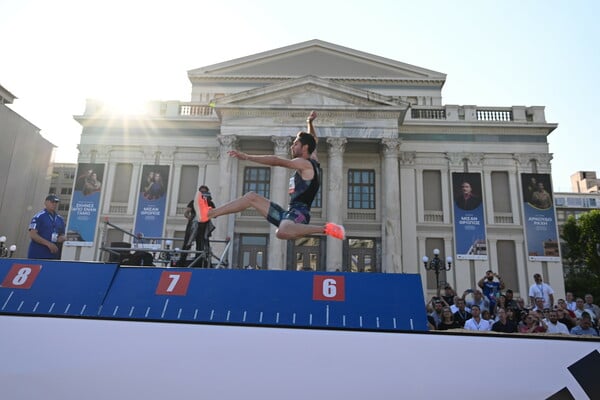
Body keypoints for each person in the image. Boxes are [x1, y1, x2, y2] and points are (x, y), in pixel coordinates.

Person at [196, 111, 345, 241]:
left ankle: (327, 229)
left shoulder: (304, 163)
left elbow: (276, 161)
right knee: (251, 197)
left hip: (299, 216)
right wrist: (309, 122)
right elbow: (313, 139)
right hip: (287, 214)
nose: (292, 147)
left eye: (295, 144)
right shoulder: (313, 159)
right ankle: (211, 213)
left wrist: (248, 157)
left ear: (304, 148)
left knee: (282, 231)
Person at [178, 185, 216, 267]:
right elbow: (186, 213)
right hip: (192, 227)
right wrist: (191, 219)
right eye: (201, 192)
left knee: (201, 246)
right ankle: (181, 262)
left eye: (205, 192)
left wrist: (209, 209)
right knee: (187, 244)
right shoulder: (194, 202)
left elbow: (215, 215)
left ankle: (200, 262)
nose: (203, 193)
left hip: (203, 228)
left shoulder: (209, 202)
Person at [27, 194, 66, 259]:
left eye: (56, 202)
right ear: (46, 203)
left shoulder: (60, 219)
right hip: (38, 254)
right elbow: (33, 235)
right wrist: (48, 244)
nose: (54, 204)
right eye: (52, 202)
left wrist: (62, 238)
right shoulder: (39, 217)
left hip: (54, 255)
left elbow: (62, 234)